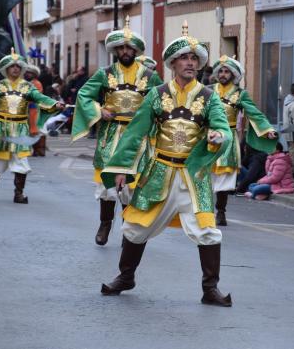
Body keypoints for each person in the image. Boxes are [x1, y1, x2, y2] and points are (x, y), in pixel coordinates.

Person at [99, 21, 233, 306]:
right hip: (158, 172)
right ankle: (126, 276)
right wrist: (122, 169)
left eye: (194, 58)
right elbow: (135, 132)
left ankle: (210, 290)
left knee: (207, 232)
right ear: (172, 63)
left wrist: (218, 136)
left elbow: (223, 128)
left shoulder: (210, 98)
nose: (190, 63)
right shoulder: (156, 94)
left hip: (194, 176)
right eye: (184, 57)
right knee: (135, 227)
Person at [71, 17, 163, 246]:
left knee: (132, 186)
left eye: (129, 47)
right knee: (107, 185)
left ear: (136, 50)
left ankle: (128, 230)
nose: (125, 51)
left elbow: (163, 102)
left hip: (138, 138)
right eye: (120, 47)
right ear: (115, 49)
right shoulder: (104, 73)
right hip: (110, 135)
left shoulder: (151, 77)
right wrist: (98, 110)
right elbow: (84, 95)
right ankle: (105, 223)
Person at [0, 49, 63, 203]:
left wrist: (54, 104)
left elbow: (39, 98)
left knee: (21, 163)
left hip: (20, 130)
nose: (15, 68)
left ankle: (19, 193)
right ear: (6, 69)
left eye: (18, 66)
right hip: (2, 129)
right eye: (12, 66)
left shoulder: (28, 87)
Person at [210, 55, 277, 226]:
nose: (223, 74)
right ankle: (204, 211)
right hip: (208, 138)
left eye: (227, 71)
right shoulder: (208, 90)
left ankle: (221, 212)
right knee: (205, 178)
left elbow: (254, 113)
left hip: (227, 140)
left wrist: (267, 129)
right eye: (221, 71)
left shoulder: (240, 94)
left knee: (224, 180)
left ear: (232, 75)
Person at [24, 63, 47, 157]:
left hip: (35, 109)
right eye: (27, 72)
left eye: (29, 73)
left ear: (34, 74)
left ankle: (40, 149)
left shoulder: (37, 83)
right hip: (27, 109)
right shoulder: (25, 83)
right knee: (29, 130)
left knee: (38, 130)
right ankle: (33, 149)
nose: (27, 74)